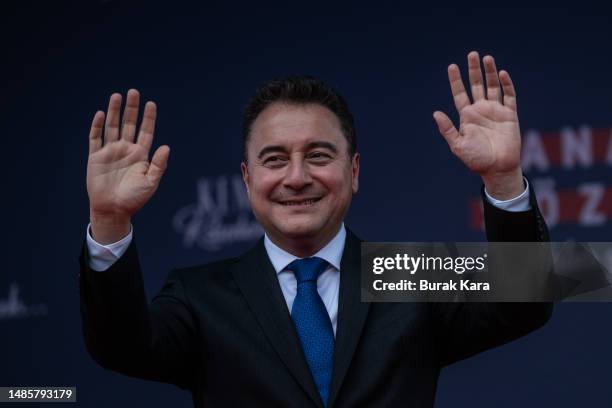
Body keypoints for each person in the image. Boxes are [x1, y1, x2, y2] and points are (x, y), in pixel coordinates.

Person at [79, 51, 551, 408]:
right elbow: (121, 347)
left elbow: (526, 302)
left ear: (354, 172)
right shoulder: (200, 297)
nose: (297, 176)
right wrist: (109, 220)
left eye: (319, 156)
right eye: (275, 159)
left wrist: (503, 178)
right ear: (247, 180)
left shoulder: (407, 274)